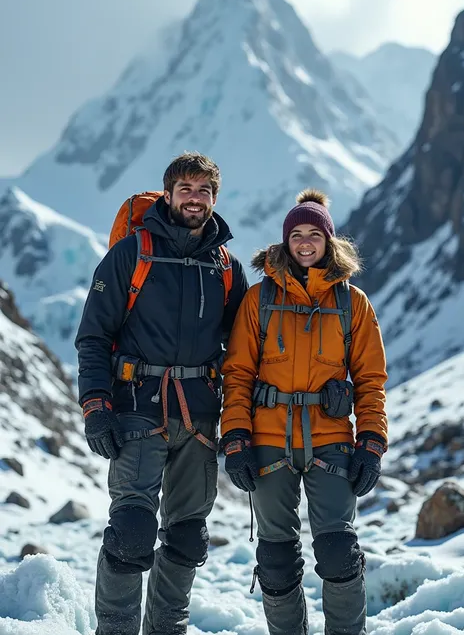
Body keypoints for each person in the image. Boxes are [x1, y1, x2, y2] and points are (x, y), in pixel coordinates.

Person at [75, 152, 248, 635]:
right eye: (186, 190)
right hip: (135, 409)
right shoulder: (130, 254)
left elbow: (244, 354)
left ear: (215, 199)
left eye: (204, 191)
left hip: (199, 416)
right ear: (167, 194)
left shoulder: (227, 266)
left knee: (188, 538)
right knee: (131, 534)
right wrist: (95, 404)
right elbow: (93, 336)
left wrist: (241, 426)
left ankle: (165, 629)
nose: (195, 199)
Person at [220, 189, 388, 635]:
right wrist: (235, 436)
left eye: (315, 234)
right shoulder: (258, 300)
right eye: (298, 234)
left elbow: (371, 380)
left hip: (331, 440)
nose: (306, 242)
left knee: (338, 551)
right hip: (268, 441)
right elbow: (236, 373)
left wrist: (371, 441)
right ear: (286, 241)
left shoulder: (353, 303)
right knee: (275, 559)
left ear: (329, 241)